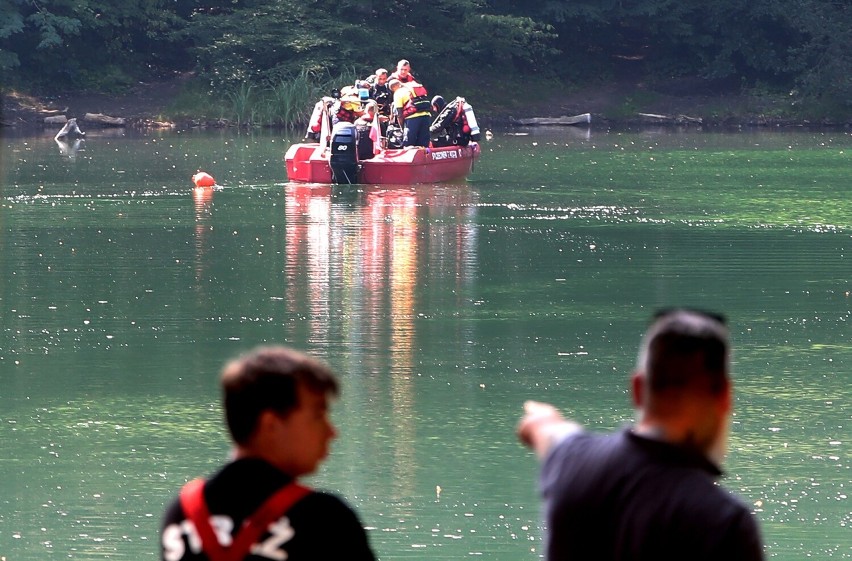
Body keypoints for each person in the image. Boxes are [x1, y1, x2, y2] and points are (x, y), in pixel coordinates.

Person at [517, 309, 765, 561]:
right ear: (724, 397)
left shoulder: (569, 459)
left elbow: (546, 431)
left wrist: (541, 419)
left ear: (636, 389)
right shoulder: (724, 524)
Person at [161, 346, 377, 561]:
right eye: (318, 415)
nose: (332, 432)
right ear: (271, 425)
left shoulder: (183, 514)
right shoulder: (324, 520)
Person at [389, 78, 431, 148]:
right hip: (426, 116)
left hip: (412, 119)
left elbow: (399, 114)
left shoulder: (398, 92)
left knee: (409, 144)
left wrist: (402, 128)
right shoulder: (413, 86)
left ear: (394, 88)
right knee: (424, 144)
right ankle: (425, 156)